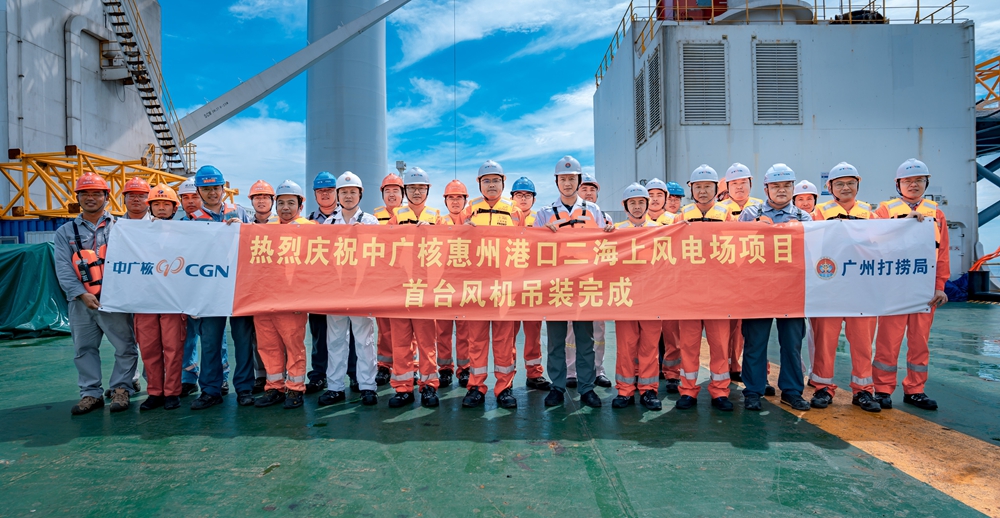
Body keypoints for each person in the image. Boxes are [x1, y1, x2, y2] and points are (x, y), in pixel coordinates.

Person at [533, 155, 614, 409]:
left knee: (585, 339)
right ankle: (557, 387)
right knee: (556, 340)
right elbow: (531, 248)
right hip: (556, 286)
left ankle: (587, 387)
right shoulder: (544, 214)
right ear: (556, 181)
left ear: (578, 181)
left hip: (584, 285)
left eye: (571, 179)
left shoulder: (594, 211)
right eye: (563, 179)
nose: (567, 183)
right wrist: (543, 235)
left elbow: (605, 245)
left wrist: (609, 233)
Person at [55, 173, 138, 415]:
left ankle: (121, 388)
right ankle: (90, 393)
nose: (90, 198)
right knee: (84, 349)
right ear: (78, 197)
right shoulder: (65, 232)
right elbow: (63, 267)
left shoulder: (123, 227)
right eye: (85, 193)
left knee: (125, 346)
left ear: (106, 197)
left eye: (96, 193)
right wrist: (81, 293)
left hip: (115, 301)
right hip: (81, 302)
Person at [872, 159, 949, 410]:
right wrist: (904, 222)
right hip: (893, 287)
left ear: (926, 183)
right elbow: (872, 239)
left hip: (924, 290)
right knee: (888, 340)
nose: (913, 185)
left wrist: (940, 286)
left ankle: (915, 389)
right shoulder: (884, 211)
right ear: (898, 184)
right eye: (908, 181)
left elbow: (942, 253)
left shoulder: (937, 214)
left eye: (919, 180)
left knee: (919, 342)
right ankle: (882, 389)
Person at [737, 165, 812, 411]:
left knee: (792, 344)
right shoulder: (750, 214)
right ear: (766, 188)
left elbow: (812, 253)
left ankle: (791, 391)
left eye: (787, 186)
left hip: (792, 292)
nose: (781, 190)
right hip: (757, 291)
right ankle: (753, 391)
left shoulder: (803, 218)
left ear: (793, 188)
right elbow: (735, 249)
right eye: (776, 186)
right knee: (755, 342)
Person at [809, 162, 882, 413]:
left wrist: (914, 224)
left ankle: (863, 390)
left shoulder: (871, 214)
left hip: (862, 290)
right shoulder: (818, 213)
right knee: (824, 341)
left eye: (851, 183)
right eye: (839, 183)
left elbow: (889, 241)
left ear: (858, 185)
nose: (845, 187)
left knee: (863, 343)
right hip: (828, 289)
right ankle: (822, 387)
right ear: (830, 187)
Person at [183, 165, 255, 410]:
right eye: (206, 189)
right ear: (199, 191)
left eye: (216, 188)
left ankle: (244, 389)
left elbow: (256, 244)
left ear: (223, 188)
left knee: (243, 340)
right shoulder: (190, 220)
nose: (212, 193)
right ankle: (210, 390)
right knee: (210, 341)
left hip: (239, 288)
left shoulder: (240, 213)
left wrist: (244, 229)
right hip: (208, 292)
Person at [672, 165, 736, 411]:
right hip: (689, 292)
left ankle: (720, 392)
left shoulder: (727, 214)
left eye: (707, 186)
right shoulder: (681, 215)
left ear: (715, 188)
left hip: (718, 292)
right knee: (688, 344)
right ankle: (688, 390)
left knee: (720, 344)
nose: (702, 191)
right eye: (698, 187)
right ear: (691, 189)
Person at [460, 160, 522, 409]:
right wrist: (463, 230)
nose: (492, 185)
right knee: (476, 338)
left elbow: (527, 245)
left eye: (496, 180)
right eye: (486, 181)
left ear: (503, 183)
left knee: (504, 339)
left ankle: (504, 388)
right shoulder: (469, 210)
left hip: (505, 285)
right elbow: (455, 245)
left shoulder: (515, 211)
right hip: (477, 285)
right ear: (479, 184)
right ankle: (476, 386)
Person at [320, 172, 380, 407]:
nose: (348, 196)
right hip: (335, 290)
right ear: (337, 195)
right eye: (343, 192)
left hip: (361, 290)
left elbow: (379, 255)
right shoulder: (329, 224)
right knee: (335, 340)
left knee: (364, 340)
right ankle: (335, 387)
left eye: (352, 192)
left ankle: (368, 386)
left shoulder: (370, 222)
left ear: (360, 194)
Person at [254, 180, 313, 410]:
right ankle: (274, 387)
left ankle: (295, 389)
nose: (285, 207)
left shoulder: (310, 229)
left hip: (291, 300)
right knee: (268, 345)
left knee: (293, 344)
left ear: (300, 205)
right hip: (265, 298)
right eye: (281, 203)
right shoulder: (265, 228)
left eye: (290, 203)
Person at [387, 167, 442, 408]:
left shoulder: (437, 218)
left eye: (421, 188)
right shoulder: (395, 218)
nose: (416, 192)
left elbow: (449, 247)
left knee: (426, 341)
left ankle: (429, 386)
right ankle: (403, 388)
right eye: (412, 188)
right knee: (400, 342)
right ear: (405, 191)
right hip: (400, 288)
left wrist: (431, 232)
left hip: (425, 289)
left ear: (428, 190)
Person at [134, 184, 188, 411]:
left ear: (175, 208)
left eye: (167, 204)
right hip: (145, 300)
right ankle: (155, 392)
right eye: (157, 204)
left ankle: (172, 392)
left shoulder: (186, 233)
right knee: (149, 348)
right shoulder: (136, 232)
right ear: (150, 207)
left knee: (173, 347)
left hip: (172, 300)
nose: (162, 208)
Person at [176, 178, 229, 398]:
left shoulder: (234, 216)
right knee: (190, 338)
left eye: (193, 197)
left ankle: (221, 378)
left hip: (222, 287)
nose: (190, 201)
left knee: (216, 339)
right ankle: (191, 378)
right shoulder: (184, 224)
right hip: (194, 289)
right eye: (186, 197)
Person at [305, 171, 357, 394]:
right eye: (320, 191)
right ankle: (319, 375)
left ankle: (354, 374)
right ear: (315, 194)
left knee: (352, 333)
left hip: (348, 286)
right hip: (319, 287)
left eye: (329, 190)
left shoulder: (349, 217)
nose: (325, 194)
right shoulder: (307, 221)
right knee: (319, 333)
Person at [611, 183, 662, 411]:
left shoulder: (660, 230)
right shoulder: (615, 230)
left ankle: (649, 390)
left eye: (642, 202)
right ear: (625, 206)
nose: (638, 206)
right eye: (633, 203)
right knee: (626, 345)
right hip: (625, 296)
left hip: (652, 296)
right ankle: (625, 390)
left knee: (650, 345)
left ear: (648, 204)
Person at [565, 172, 613, 389]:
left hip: (595, 281)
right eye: (584, 189)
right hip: (571, 280)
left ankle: (597, 370)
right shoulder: (566, 216)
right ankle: (571, 371)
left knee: (598, 329)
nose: (588, 193)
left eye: (592, 189)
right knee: (570, 328)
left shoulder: (605, 218)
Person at [718, 163, 764, 383]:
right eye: (734, 183)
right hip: (727, 275)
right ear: (727, 186)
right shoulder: (719, 210)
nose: (739, 187)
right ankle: (728, 366)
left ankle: (757, 374)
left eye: (743, 182)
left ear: (751, 183)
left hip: (755, 276)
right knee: (728, 325)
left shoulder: (762, 207)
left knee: (755, 329)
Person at [509, 176, 551, 392]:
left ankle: (534, 373)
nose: (523, 198)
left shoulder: (542, 219)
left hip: (533, 283)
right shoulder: (505, 217)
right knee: (508, 333)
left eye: (527, 195)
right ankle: (507, 375)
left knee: (533, 332)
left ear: (534, 198)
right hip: (510, 284)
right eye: (519, 194)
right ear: (512, 197)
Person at [436, 179, 473, 388]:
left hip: (466, 283)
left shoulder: (473, 221)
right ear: (445, 201)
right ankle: (445, 369)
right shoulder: (438, 222)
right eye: (451, 198)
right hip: (443, 282)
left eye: (459, 197)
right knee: (442, 329)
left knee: (464, 329)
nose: (455, 201)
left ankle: (465, 368)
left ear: (466, 200)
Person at [373, 173, 405, 386]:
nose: (392, 195)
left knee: (407, 326)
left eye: (396, 191)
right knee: (384, 326)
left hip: (406, 278)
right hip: (383, 278)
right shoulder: (373, 219)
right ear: (382, 194)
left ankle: (410, 365)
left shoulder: (410, 216)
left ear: (403, 194)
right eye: (388, 191)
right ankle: (384, 365)